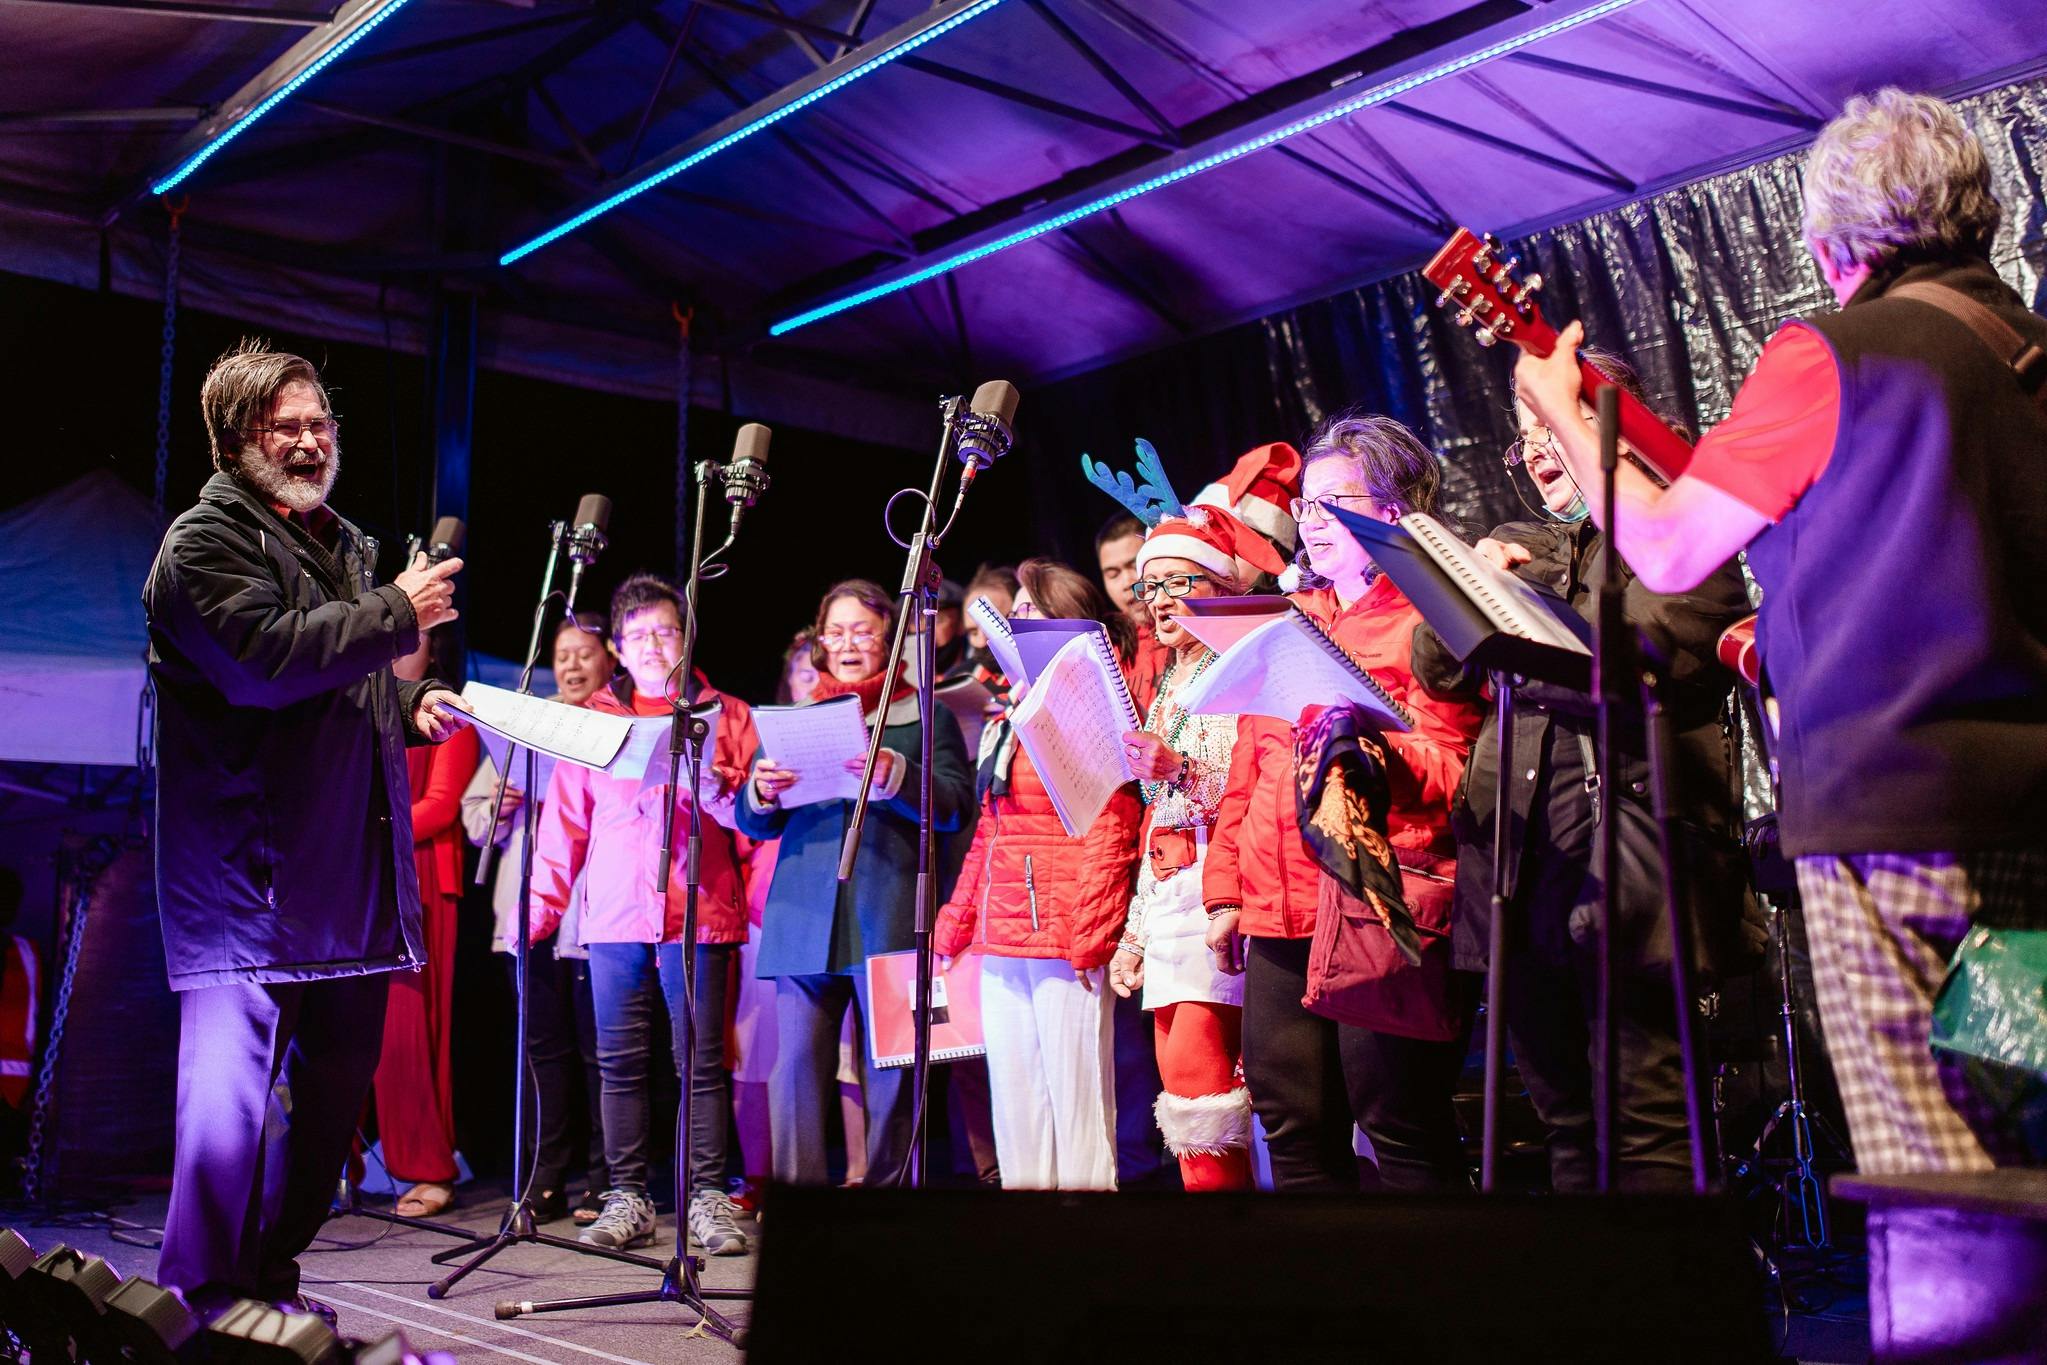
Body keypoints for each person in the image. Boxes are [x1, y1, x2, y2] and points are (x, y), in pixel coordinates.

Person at [1510, 89, 2047, 1173]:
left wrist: (1561, 407)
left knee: (1931, 1164)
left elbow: (1668, 549)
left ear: (1829, 240)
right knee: (2023, 1137)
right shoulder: (2027, 348)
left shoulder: (1832, 354)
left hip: (1893, 825)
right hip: (2028, 815)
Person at [145, 339, 467, 1311]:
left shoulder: (341, 545)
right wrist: (395, 611)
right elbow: (262, 662)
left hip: (344, 887)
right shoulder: (201, 544)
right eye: (283, 425)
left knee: (329, 1108)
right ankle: (203, 1303)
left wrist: (407, 705)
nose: (308, 440)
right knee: (229, 1118)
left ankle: (267, 1283)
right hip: (248, 886)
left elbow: (335, 679)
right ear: (235, 441)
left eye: (319, 421)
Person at [1411, 363, 1755, 1191]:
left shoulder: (1678, 533)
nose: (1534, 451)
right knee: (1562, 1118)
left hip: (1634, 875)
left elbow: (1644, 658)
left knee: (1647, 1119)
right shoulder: (1523, 543)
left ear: (1614, 430)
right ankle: (1591, 1279)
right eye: (1522, 437)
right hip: (1524, 870)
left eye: (1550, 428)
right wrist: (1463, 586)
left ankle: (1670, 1278)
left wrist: (1511, 609)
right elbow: (1437, 670)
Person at [1205, 414, 1485, 1192]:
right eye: (1306, 504)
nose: (1311, 520)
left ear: (1393, 510)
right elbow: (1249, 768)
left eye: (1334, 502)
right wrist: (1224, 891)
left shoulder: (1430, 617)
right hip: (1279, 910)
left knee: (1399, 1123)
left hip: (1377, 903)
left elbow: (1456, 770)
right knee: (1291, 1125)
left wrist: (1365, 743)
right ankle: (1328, 1275)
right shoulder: (1294, 618)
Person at [530, 573, 759, 1254]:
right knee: (620, 1063)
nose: (653, 645)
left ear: (686, 637)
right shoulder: (594, 720)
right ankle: (628, 1195)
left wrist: (714, 786)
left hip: (699, 912)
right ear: (619, 650)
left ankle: (707, 1196)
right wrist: (536, 915)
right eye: (638, 636)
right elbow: (564, 825)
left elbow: (754, 823)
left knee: (701, 1064)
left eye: (665, 631)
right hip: (615, 916)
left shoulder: (727, 713)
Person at [738, 579, 975, 1188]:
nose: (847, 645)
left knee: (894, 1072)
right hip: (803, 917)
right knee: (796, 1073)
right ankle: (800, 1207)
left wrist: (899, 774)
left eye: (863, 632)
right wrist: (760, 792)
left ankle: (888, 1206)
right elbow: (754, 822)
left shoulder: (925, 716)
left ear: (889, 639)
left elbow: (955, 807)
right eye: (835, 633)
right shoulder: (795, 718)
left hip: (887, 913)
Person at [934, 559, 1146, 1189]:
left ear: (1066, 624)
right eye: (1017, 610)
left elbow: (1114, 825)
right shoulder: (1011, 710)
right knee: (1017, 1103)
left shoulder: (1093, 703)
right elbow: (991, 828)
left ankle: (1085, 1233)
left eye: (1030, 610)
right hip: (1003, 932)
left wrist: (1092, 936)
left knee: (1077, 1103)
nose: (1017, 620)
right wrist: (957, 922)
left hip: (1063, 933)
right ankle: (1026, 1232)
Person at [1109, 506, 1280, 1190]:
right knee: (1184, 1092)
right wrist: (1134, 935)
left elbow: (1249, 791)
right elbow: (1159, 823)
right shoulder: (1168, 683)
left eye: (1180, 581)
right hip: (1171, 899)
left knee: (1204, 1082)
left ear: (1221, 587)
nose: (1160, 599)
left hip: (1221, 891)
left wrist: (1177, 767)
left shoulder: (1243, 670)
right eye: (1151, 586)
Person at [459, 611, 614, 1224]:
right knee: (541, 1050)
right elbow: (476, 818)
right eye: (562, 654)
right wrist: (501, 806)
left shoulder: (618, 723)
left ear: (610, 661)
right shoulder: (531, 723)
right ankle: (544, 1179)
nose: (572, 665)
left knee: (602, 1052)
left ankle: (606, 1179)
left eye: (585, 653)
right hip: (527, 907)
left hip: (596, 912)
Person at [373, 622, 480, 1217]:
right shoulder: (360, 708)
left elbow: (440, 806)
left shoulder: (450, 715)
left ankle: (427, 1166)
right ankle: (340, 1166)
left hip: (417, 878)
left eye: (409, 637)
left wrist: (366, 827)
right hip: (358, 875)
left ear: (434, 649)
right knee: (346, 1030)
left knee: (410, 1028)